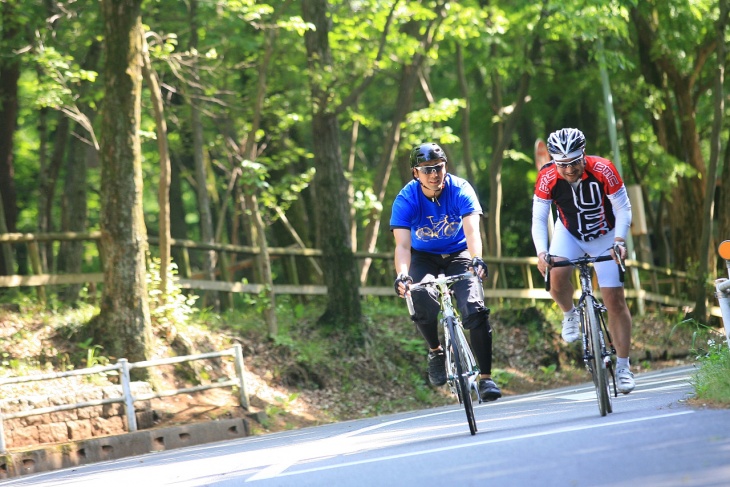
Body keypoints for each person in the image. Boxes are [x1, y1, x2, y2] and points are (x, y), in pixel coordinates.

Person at [390, 142, 501, 402]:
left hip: (459, 254)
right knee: (420, 298)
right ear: (415, 173)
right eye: (426, 169)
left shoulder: (461, 189)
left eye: (438, 168)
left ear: (445, 167)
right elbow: (402, 245)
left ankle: (485, 378)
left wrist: (477, 260)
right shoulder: (406, 199)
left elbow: (472, 231)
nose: (434, 174)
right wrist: (403, 275)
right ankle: (436, 350)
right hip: (423, 257)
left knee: (474, 308)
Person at [531, 128, 635, 394]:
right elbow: (539, 218)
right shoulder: (546, 176)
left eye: (574, 162)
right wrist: (542, 252)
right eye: (562, 164)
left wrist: (620, 241)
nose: (568, 169)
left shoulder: (604, 169)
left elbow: (623, 208)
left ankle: (623, 366)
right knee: (556, 275)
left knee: (614, 300)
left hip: (605, 234)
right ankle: (569, 314)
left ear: (583, 155)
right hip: (570, 233)